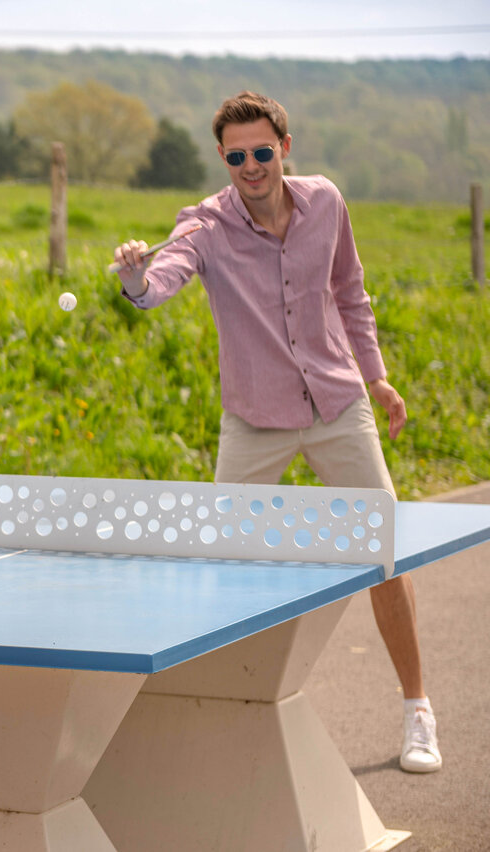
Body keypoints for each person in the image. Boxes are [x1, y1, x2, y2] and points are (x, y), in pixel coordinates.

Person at [111, 90, 441, 774]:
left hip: (336, 403)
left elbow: (351, 292)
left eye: (261, 151)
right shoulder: (202, 226)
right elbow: (159, 284)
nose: (251, 167)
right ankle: (210, 717)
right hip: (255, 417)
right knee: (218, 563)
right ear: (223, 158)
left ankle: (417, 710)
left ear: (284, 147)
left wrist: (378, 378)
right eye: (236, 157)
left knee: (385, 552)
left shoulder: (326, 202)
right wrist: (137, 281)